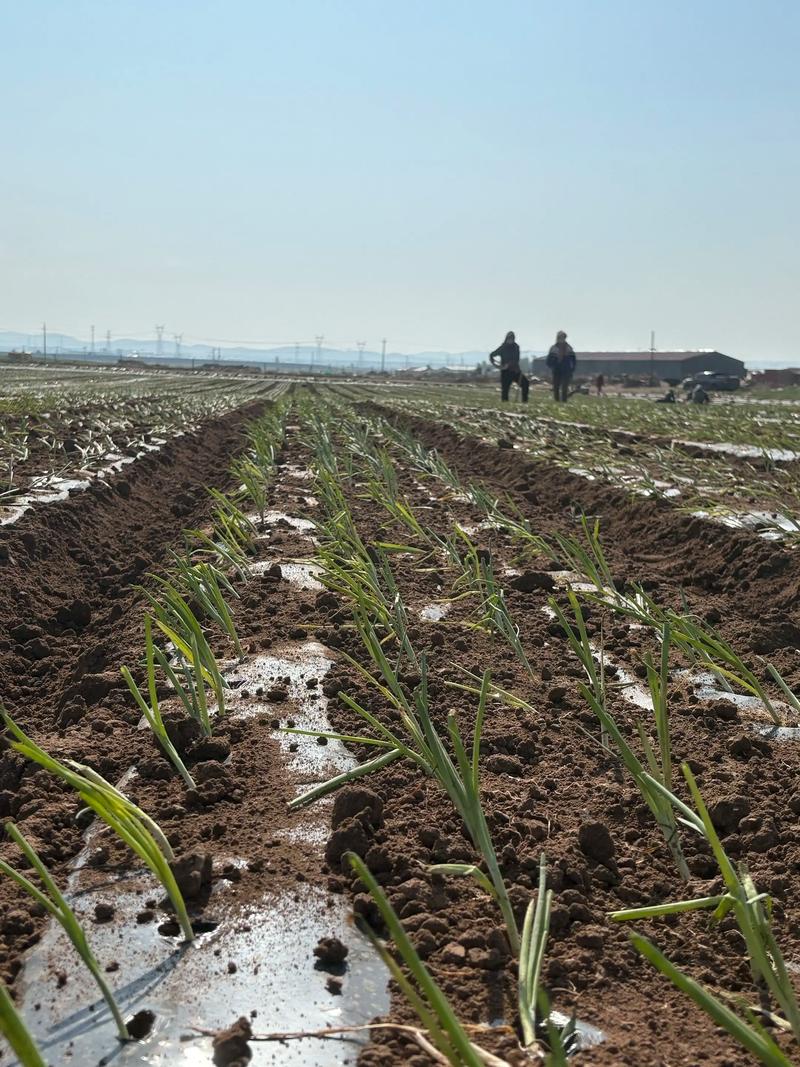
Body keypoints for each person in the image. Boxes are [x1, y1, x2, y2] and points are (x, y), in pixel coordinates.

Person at [489, 331, 529, 402]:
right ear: (506, 338)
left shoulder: (516, 347)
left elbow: (516, 359)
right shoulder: (503, 347)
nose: (511, 340)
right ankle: (505, 403)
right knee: (505, 390)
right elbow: (492, 355)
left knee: (525, 383)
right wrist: (497, 365)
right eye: (509, 338)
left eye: (512, 338)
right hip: (505, 372)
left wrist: (509, 364)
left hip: (515, 371)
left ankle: (524, 401)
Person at [546, 331, 576, 402]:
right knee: (556, 387)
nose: (562, 339)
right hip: (556, 370)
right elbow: (549, 360)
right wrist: (552, 365)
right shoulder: (553, 348)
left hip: (566, 370)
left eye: (563, 337)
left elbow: (573, 360)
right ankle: (557, 401)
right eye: (560, 337)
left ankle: (564, 401)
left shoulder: (569, 348)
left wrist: (572, 369)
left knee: (564, 387)